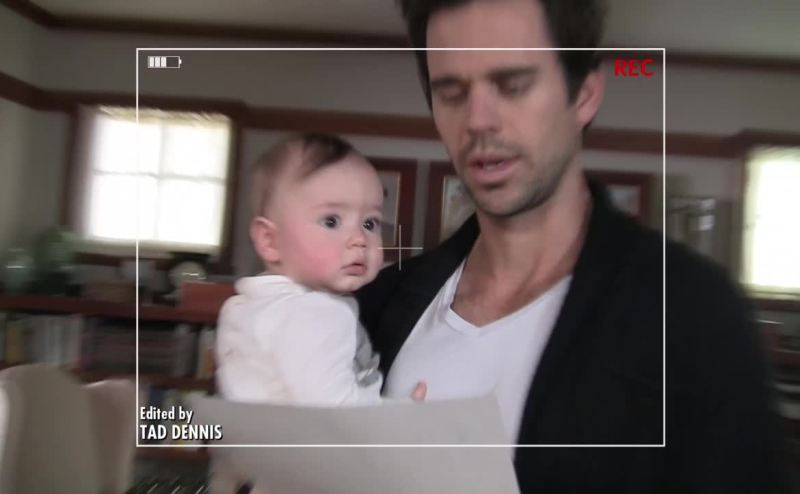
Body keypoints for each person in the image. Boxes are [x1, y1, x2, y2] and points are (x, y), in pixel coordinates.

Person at [357, 0, 790, 492]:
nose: (477, 121)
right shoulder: (377, 304)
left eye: (512, 85)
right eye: (451, 93)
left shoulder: (695, 314)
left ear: (584, 95)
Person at [216, 133, 425, 406]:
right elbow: (334, 413)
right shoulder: (317, 313)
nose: (359, 239)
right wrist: (404, 413)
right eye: (331, 221)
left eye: (370, 223)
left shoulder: (245, 306)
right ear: (270, 241)